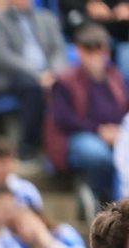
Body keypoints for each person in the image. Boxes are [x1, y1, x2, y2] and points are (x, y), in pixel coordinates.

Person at [44, 23, 126, 209]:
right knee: (99, 155)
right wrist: (99, 130)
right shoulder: (65, 80)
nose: (96, 55)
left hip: (115, 133)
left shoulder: (115, 77)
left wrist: (118, 131)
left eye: (100, 49)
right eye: (89, 49)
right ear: (79, 50)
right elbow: (64, 118)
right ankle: (99, 198)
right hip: (77, 136)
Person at [0, 0, 70, 162]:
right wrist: (36, 74)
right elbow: (1, 55)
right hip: (12, 76)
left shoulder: (47, 18)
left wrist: (54, 72)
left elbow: (59, 50)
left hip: (47, 74)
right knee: (33, 87)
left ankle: (60, 149)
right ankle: (28, 146)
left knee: (68, 86)